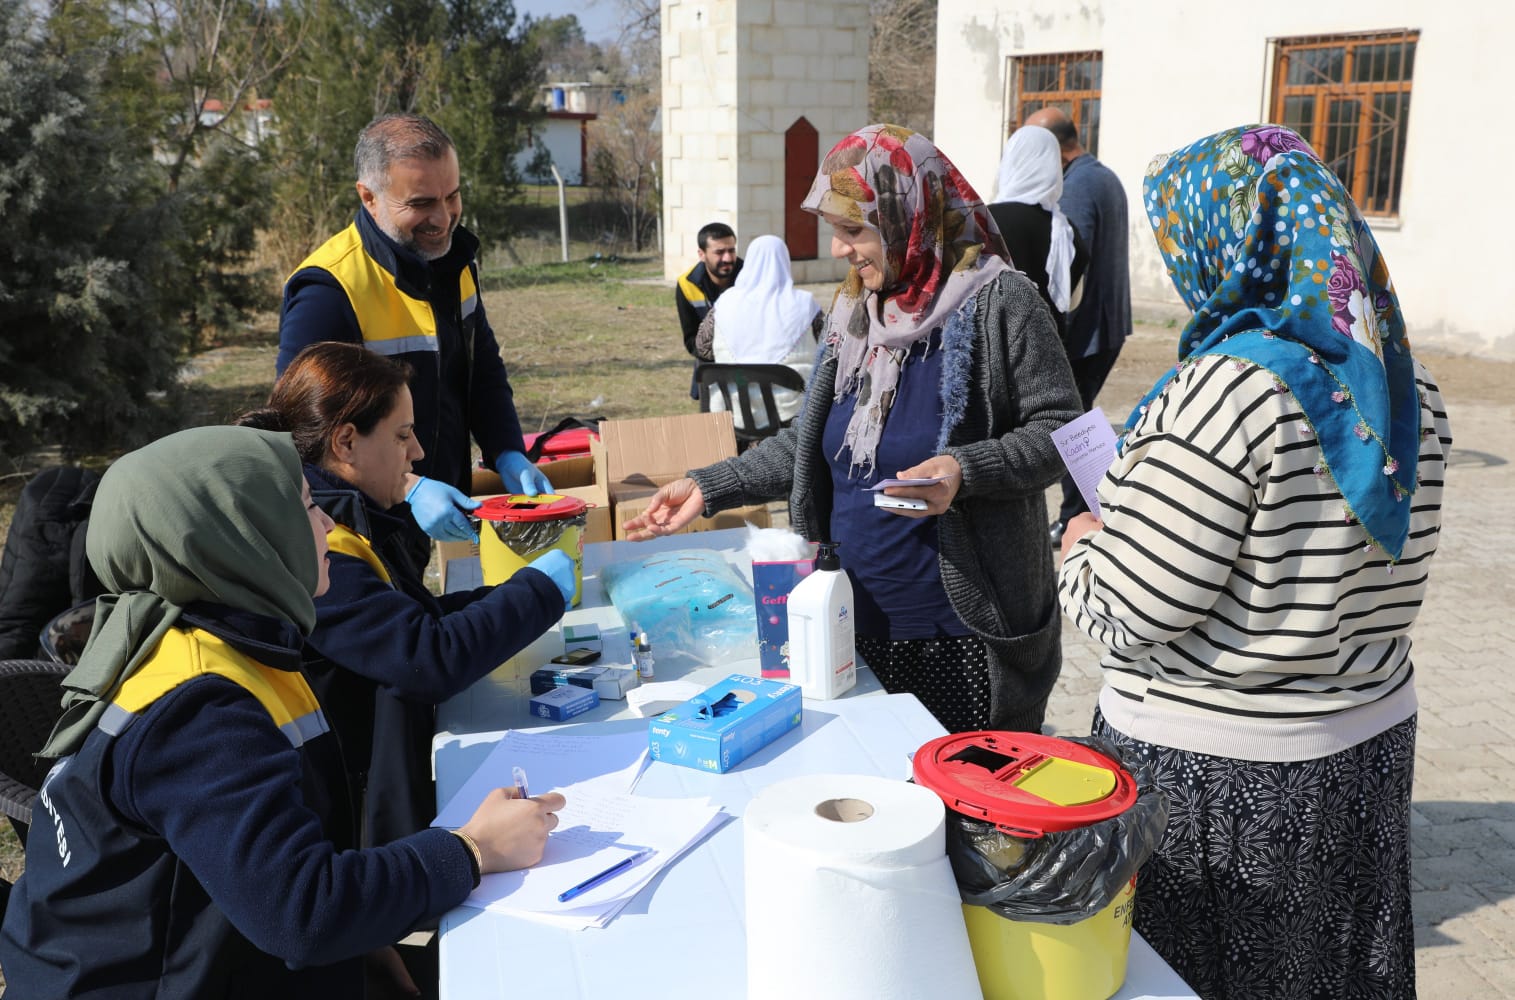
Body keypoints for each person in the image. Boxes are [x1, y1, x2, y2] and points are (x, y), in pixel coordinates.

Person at [1057, 124, 1450, 999]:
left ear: (1226, 240)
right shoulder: (1401, 381)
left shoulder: (1227, 388)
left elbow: (1133, 608)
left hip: (1223, 773)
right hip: (1364, 746)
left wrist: (1081, 549)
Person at [0, 425, 566, 998]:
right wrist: (474, 849)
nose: (327, 525)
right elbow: (304, 914)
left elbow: (280, 863)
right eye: (304, 509)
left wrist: (367, 946)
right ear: (239, 539)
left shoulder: (227, 637)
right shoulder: (198, 711)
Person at [626, 124, 1082, 734]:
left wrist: (965, 471)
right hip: (845, 626)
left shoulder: (1002, 303)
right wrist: (710, 487)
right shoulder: (854, 312)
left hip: (959, 638)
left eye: (851, 231)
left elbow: (1064, 431)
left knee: (962, 821)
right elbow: (809, 443)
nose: (840, 251)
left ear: (907, 217)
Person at [238, 342, 574, 849]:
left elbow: (417, 617)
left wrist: (508, 593)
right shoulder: (315, 544)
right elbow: (427, 656)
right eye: (401, 435)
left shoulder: (349, 514)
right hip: (354, 825)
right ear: (346, 441)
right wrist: (538, 591)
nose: (416, 453)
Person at [277, 113, 551, 575]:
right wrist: (408, 486)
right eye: (422, 203)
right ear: (369, 197)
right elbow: (304, 434)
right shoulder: (329, 289)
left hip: (429, 502)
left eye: (453, 196)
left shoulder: (454, 260)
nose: (443, 219)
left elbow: (479, 365)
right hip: (357, 527)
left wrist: (507, 448)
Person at [1024, 107, 1130, 541]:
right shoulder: (1102, 175)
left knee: (1074, 429)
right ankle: (1093, 509)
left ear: (1054, 148)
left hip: (1087, 331)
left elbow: (1069, 266)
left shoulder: (1080, 185)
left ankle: (1076, 517)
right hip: (1106, 324)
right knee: (1081, 423)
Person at [693, 234, 823, 429]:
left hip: (736, 412)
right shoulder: (805, 305)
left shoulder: (725, 303)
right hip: (790, 417)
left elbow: (702, 348)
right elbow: (829, 348)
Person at [987, 125, 1089, 341]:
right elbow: (1070, 302)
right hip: (1049, 356)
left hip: (993, 354)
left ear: (1009, 162)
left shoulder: (983, 222)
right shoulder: (1066, 233)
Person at [676, 221, 743, 397]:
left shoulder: (750, 277)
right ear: (702, 254)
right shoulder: (686, 284)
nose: (728, 258)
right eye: (719, 252)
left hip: (749, 369)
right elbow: (691, 341)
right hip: (710, 369)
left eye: (731, 250)